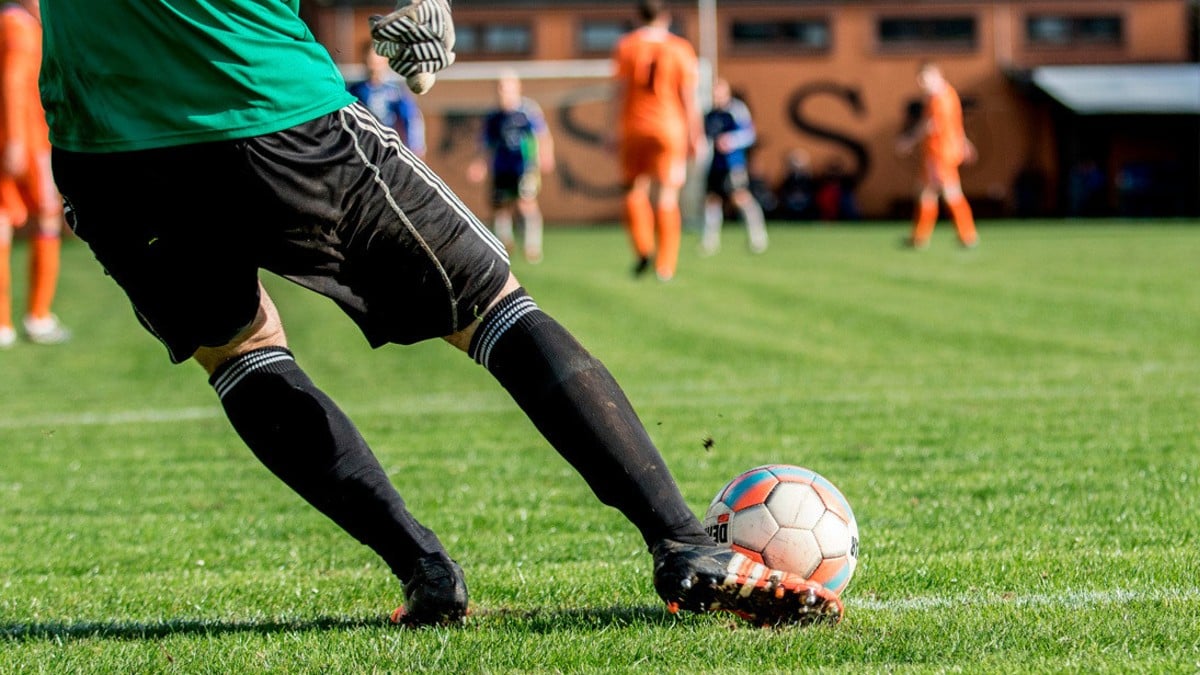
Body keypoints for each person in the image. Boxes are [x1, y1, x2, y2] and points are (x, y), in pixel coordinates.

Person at [38, 0, 842, 628]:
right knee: (491, 303)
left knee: (239, 349)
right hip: (260, 96)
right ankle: (683, 542)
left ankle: (424, 569)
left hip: (106, 147)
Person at [610, 0, 703, 281]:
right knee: (667, 194)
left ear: (638, 15)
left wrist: (610, 129)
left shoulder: (627, 46)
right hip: (668, 128)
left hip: (634, 127)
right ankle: (665, 265)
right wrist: (695, 134)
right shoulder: (680, 48)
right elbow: (688, 98)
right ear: (666, 16)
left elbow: (618, 93)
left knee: (633, 190)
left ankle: (642, 249)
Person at [0, 0, 69, 348]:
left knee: (3, 222)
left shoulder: (12, 24)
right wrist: (14, 141)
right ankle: (37, 317)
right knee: (46, 219)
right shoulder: (20, 28)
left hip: (18, 138)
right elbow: (13, 84)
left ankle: (4, 324)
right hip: (26, 142)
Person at [466, 71, 554, 264]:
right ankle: (504, 244)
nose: (503, 92)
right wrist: (479, 165)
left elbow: (542, 135)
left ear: (517, 89)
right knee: (500, 206)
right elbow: (485, 144)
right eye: (500, 88)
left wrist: (546, 155)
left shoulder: (527, 111)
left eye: (507, 88)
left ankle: (532, 247)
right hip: (501, 167)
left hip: (525, 166)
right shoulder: (493, 117)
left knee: (525, 203)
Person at [895, 61, 978, 249]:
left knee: (949, 194)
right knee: (928, 194)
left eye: (925, 79)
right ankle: (921, 237)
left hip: (940, 153)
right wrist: (964, 143)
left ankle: (967, 235)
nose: (923, 84)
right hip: (941, 152)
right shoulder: (948, 95)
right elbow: (956, 124)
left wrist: (908, 140)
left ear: (936, 75)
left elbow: (931, 125)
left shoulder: (939, 98)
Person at [700, 78, 767, 256]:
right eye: (714, 94)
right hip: (715, 165)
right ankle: (710, 242)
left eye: (719, 93)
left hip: (733, 164)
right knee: (712, 200)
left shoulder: (736, 110)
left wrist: (731, 141)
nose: (716, 97)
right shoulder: (710, 114)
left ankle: (757, 236)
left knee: (740, 198)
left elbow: (749, 134)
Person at [347, 41, 427, 158]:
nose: (374, 66)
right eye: (371, 61)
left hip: (388, 150)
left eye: (377, 61)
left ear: (385, 62)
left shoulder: (396, 92)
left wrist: (416, 147)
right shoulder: (355, 91)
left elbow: (411, 118)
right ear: (364, 60)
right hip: (362, 149)